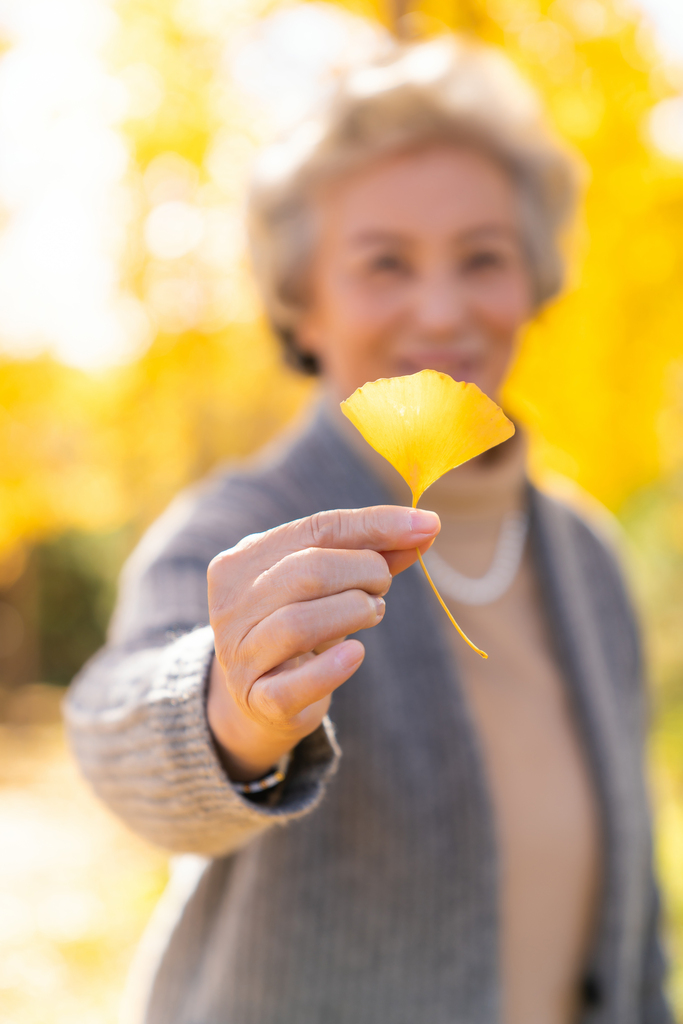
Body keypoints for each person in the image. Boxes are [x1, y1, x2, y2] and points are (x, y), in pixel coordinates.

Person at [65, 35, 672, 1024]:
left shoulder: (583, 557)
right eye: (383, 263)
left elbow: (629, 902)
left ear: (533, 284)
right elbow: (116, 736)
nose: (440, 307)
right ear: (303, 308)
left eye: (483, 257)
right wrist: (233, 713)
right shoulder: (238, 527)